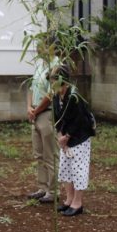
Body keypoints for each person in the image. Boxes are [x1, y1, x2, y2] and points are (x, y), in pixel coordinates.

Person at [50, 64, 95, 216]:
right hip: (64, 138)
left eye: (54, 79)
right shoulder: (57, 95)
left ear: (62, 80)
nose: (51, 83)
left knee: (78, 169)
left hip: (78, 137)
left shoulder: (74, 96)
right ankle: (69, 200)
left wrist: (67, 137)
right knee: (65, 168)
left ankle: (78, 203)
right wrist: (60, 136)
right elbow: (57, 118)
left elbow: (80, 121)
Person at [27, 42, 58, 204]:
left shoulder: (56, 66)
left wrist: (36, 110)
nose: (39, 50)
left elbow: (51, 94)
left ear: (51, 47)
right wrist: (29, 107)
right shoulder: (39, 64)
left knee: (49, 154)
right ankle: (42, 187)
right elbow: (32, 88)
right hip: (35, 114)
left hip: (47, 114)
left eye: (43, 46)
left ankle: (52, 191)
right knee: (38, 154)